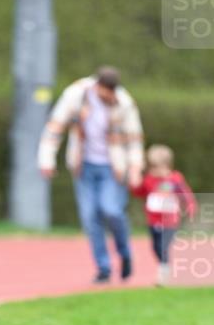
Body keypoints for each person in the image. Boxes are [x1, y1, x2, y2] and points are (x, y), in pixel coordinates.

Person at [37, 67, 144, 283]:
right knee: (90, 217)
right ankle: (103, 268)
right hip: (83, 165)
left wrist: (135, 167)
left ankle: (125, 254)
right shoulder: (76, 95)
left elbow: (134, 137)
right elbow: (55, 127)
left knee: (112, 210)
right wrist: (46, 159)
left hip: (113, 167)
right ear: (97, 86)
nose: (110, 97)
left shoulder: (123, 102)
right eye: (106, 92)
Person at [131, 144, 196, 287]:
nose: (155, 171)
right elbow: (139, 192)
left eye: (158, 167)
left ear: (167, 166)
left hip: (169, 221)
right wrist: (134, 182)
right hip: (153, 221)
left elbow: (185, 194)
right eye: (152, 168)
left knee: (163, 247)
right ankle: (163, 265)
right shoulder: (149, 180)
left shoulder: (175, 179)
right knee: (155, 247)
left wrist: (190, 206)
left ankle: (163, 274)